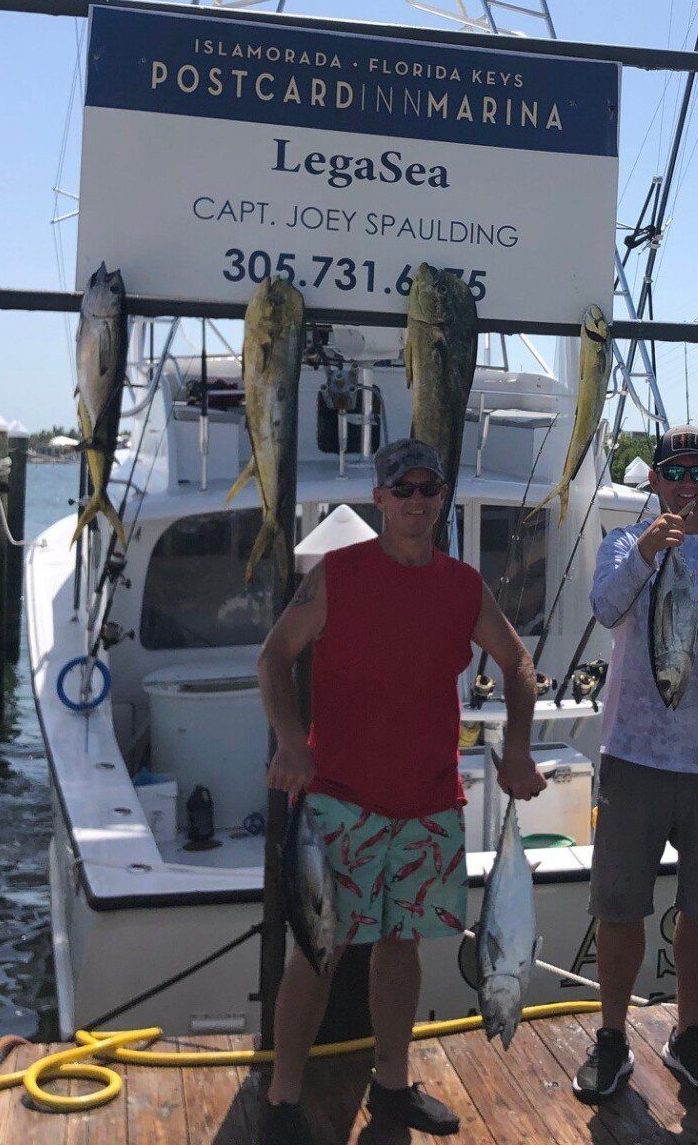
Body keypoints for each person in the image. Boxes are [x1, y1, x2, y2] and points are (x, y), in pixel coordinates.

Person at [256, 438, 546, 1145]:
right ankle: (282, 1098)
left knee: (400, 944)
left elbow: (517, 661)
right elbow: (273, 657)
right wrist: (292, 743)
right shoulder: (336, 575)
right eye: (402, 489)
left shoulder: (462, 586)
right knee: (316, 949)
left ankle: (390, 1086)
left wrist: (515, 746)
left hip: (427, 800)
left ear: (440, 497)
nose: (416, 500)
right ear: (379, 499)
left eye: (428, 488)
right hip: (337, 800)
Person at [573, 425, 698, 1106]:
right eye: (674, 472)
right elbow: (604, 609)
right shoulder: (624, 544)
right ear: (654, 481)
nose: (688, 484)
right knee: (620, 905)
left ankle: (688, 1033)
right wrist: (649, 554)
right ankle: (610, 1037)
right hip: (635, 757)